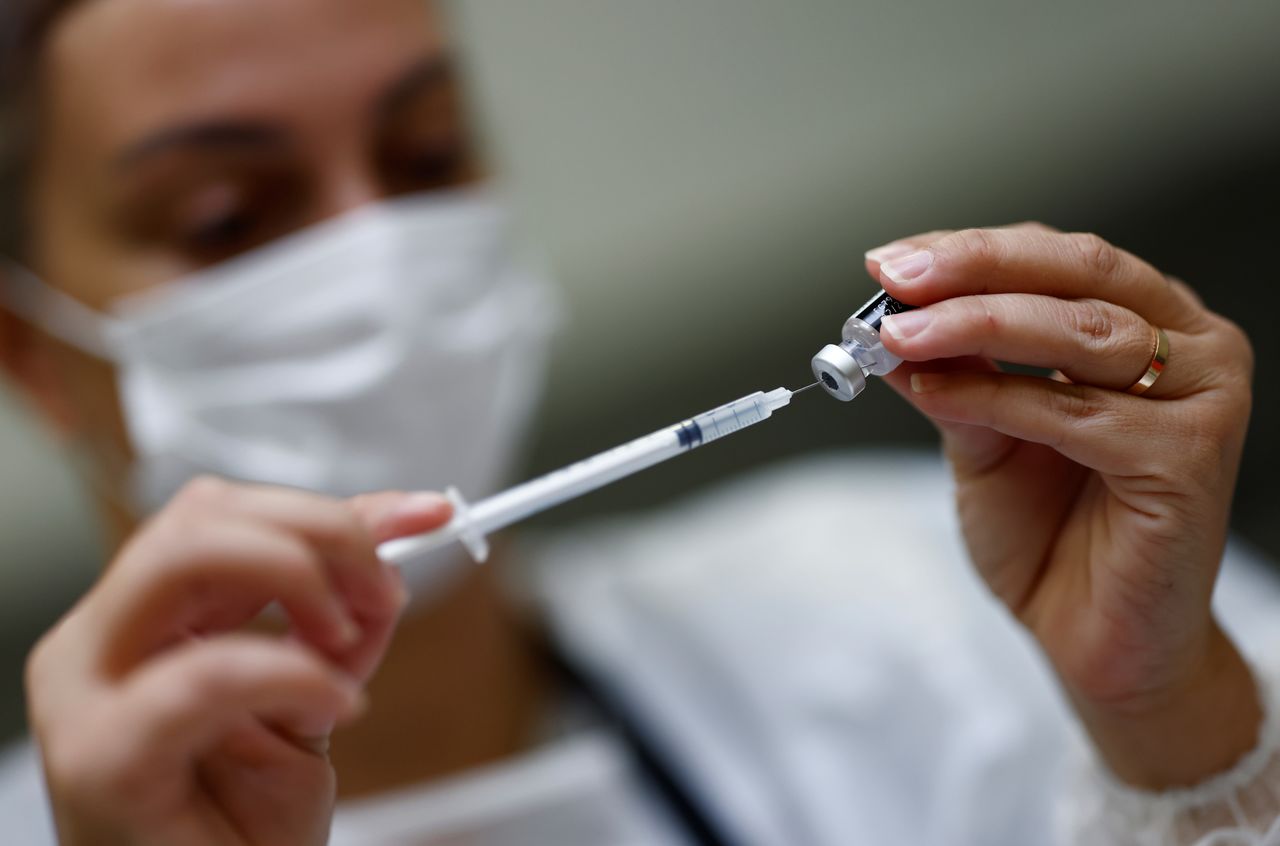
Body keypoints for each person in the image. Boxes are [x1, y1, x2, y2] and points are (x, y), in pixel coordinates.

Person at [0, 1, 1275, 844]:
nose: (379, 261)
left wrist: (1172, 722)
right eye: (227, 216)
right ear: (30, 354)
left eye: (428, 157)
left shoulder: (916, 605)